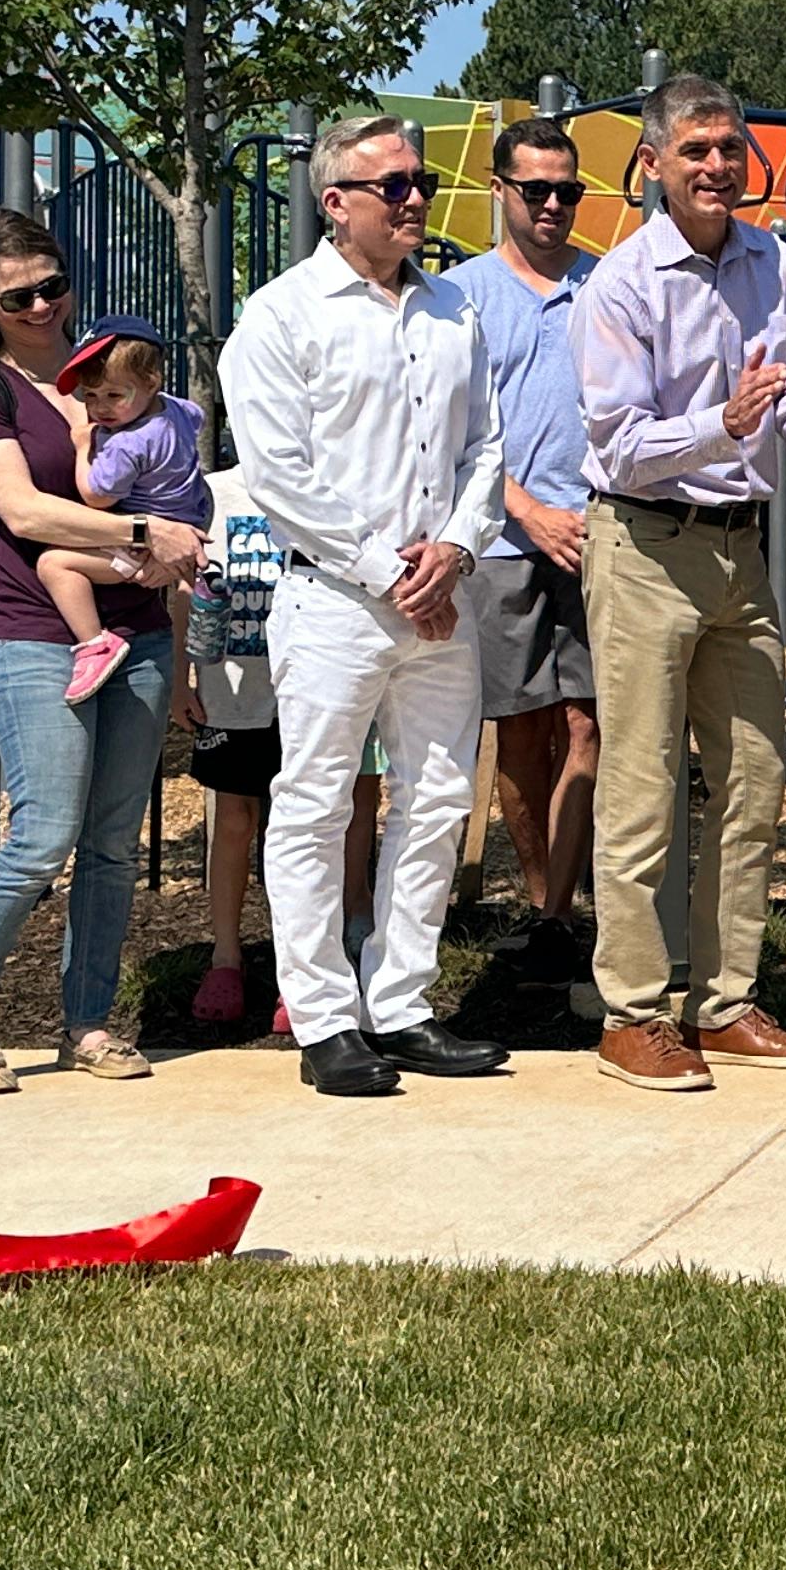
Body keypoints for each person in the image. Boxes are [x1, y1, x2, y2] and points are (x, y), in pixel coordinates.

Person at [572, 76, 786, 1093]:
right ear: (654, 165)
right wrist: (729, 423)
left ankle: (725, 1004)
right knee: (643, 790)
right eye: (696, 150)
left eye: (729, 150)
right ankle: (630, 1014)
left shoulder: (774, 263)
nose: (716, 168)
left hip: (740, 554)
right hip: (645, 551)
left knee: (753, 781)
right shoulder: (619, 285)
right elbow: (617, 451)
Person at [220, 113, 511, 1100]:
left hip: (443, 602)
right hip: (338, 600)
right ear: (333, 200)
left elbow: (487, 448)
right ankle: (327, 1020)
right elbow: (279, 475)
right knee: (315, 800)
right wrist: (394, 570)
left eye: (421, 181)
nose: (416, 199)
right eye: (394, 185)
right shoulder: (282, 316)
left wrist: (459, 548)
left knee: (434, 801)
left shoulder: (450, 310)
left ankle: (401, 1004)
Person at [0, 213, 207, 1095]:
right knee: (42, 836)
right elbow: (28, 515)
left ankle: (89, 1020)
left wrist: (176, 583)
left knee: (115, 842)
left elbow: (184, 463)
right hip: (40, 635)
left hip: (144, 629)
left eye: (54, 284)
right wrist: (145, 529)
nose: (43, 304)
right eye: (20, 294)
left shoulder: (115, 370)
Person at [443, 115, 602, 960]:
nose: (552, 204)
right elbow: (452, 434)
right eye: (535, 189)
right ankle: (545, 903)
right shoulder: (460, 295)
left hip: (600, 541)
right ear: (499, 190)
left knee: (591, 726)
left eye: (567, 191)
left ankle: (561, 911)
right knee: (522, 729)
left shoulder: (606, 286)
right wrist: (526, 510)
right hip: (502, 544)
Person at [24, 320, 214, 704]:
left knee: (54, 565)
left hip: (143, 546)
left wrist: (82, 448)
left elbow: (96, 496)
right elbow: (198, 417)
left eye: (114, 394)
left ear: (150, 382)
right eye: (90, 396)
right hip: (192, 517)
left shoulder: (126, 444)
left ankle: (94, 643)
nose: (100, 408)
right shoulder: (176, 410)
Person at [178, 457, 287, 1029]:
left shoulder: (325, 481)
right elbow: (181, 587)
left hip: (307, 690)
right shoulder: (211, 493)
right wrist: (179, 676)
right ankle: (226, 957)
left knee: (302, 829)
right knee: (234, 821)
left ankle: (300, 967)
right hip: (231, 691)